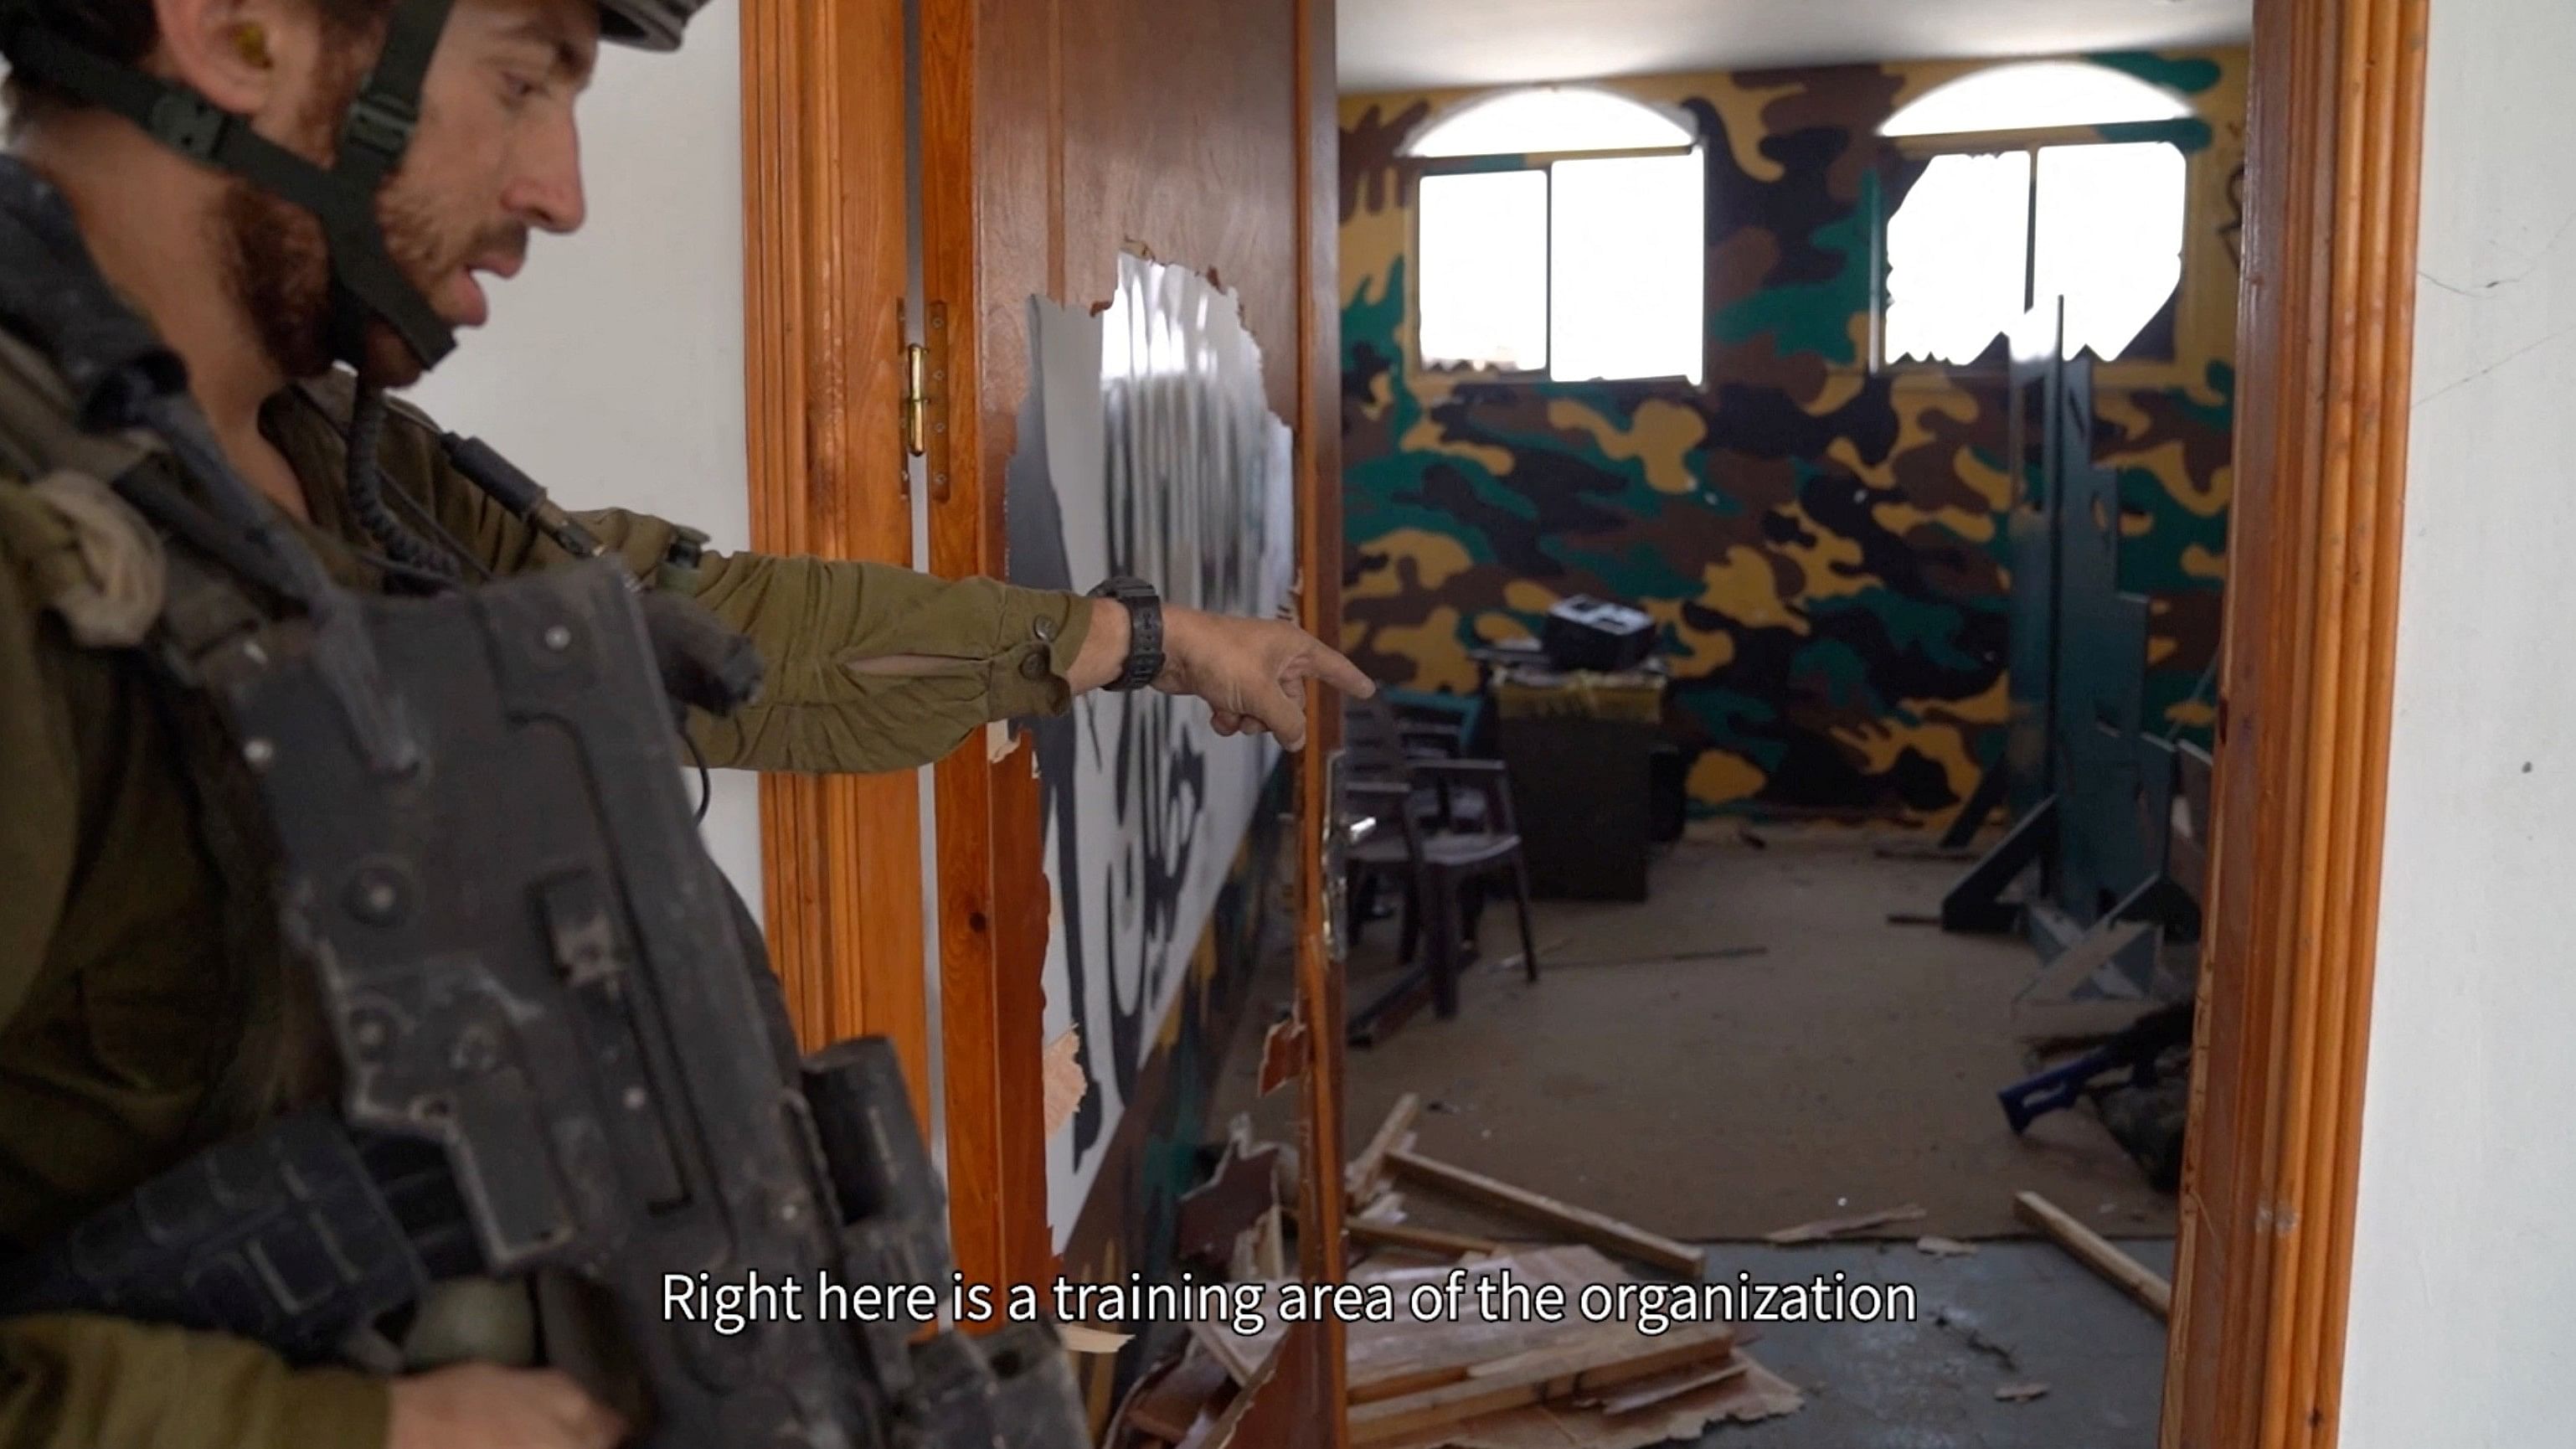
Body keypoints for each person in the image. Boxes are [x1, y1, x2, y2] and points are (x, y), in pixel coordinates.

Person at [0, 0, 1372, 1445]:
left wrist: (1145, 641)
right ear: (239, 32)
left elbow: (716, 640)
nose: (563, 192)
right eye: (524, 81)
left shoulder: (340, 473)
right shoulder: (40, 544)